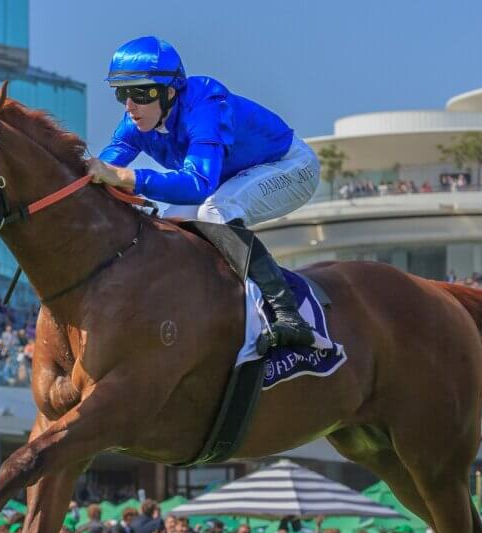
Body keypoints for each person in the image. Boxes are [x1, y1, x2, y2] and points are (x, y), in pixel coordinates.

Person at [87, 36, 320, 350]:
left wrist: (127, 177)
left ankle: (288, 314)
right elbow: (98, 172)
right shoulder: (136, 122)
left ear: (170, 92)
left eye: (139, 93)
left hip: (290, 167)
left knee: (216, 210)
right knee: (167, 226)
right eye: (121, 94)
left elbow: (199, 184)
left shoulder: (205, 104)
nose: (129, 106)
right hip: (232, 178)